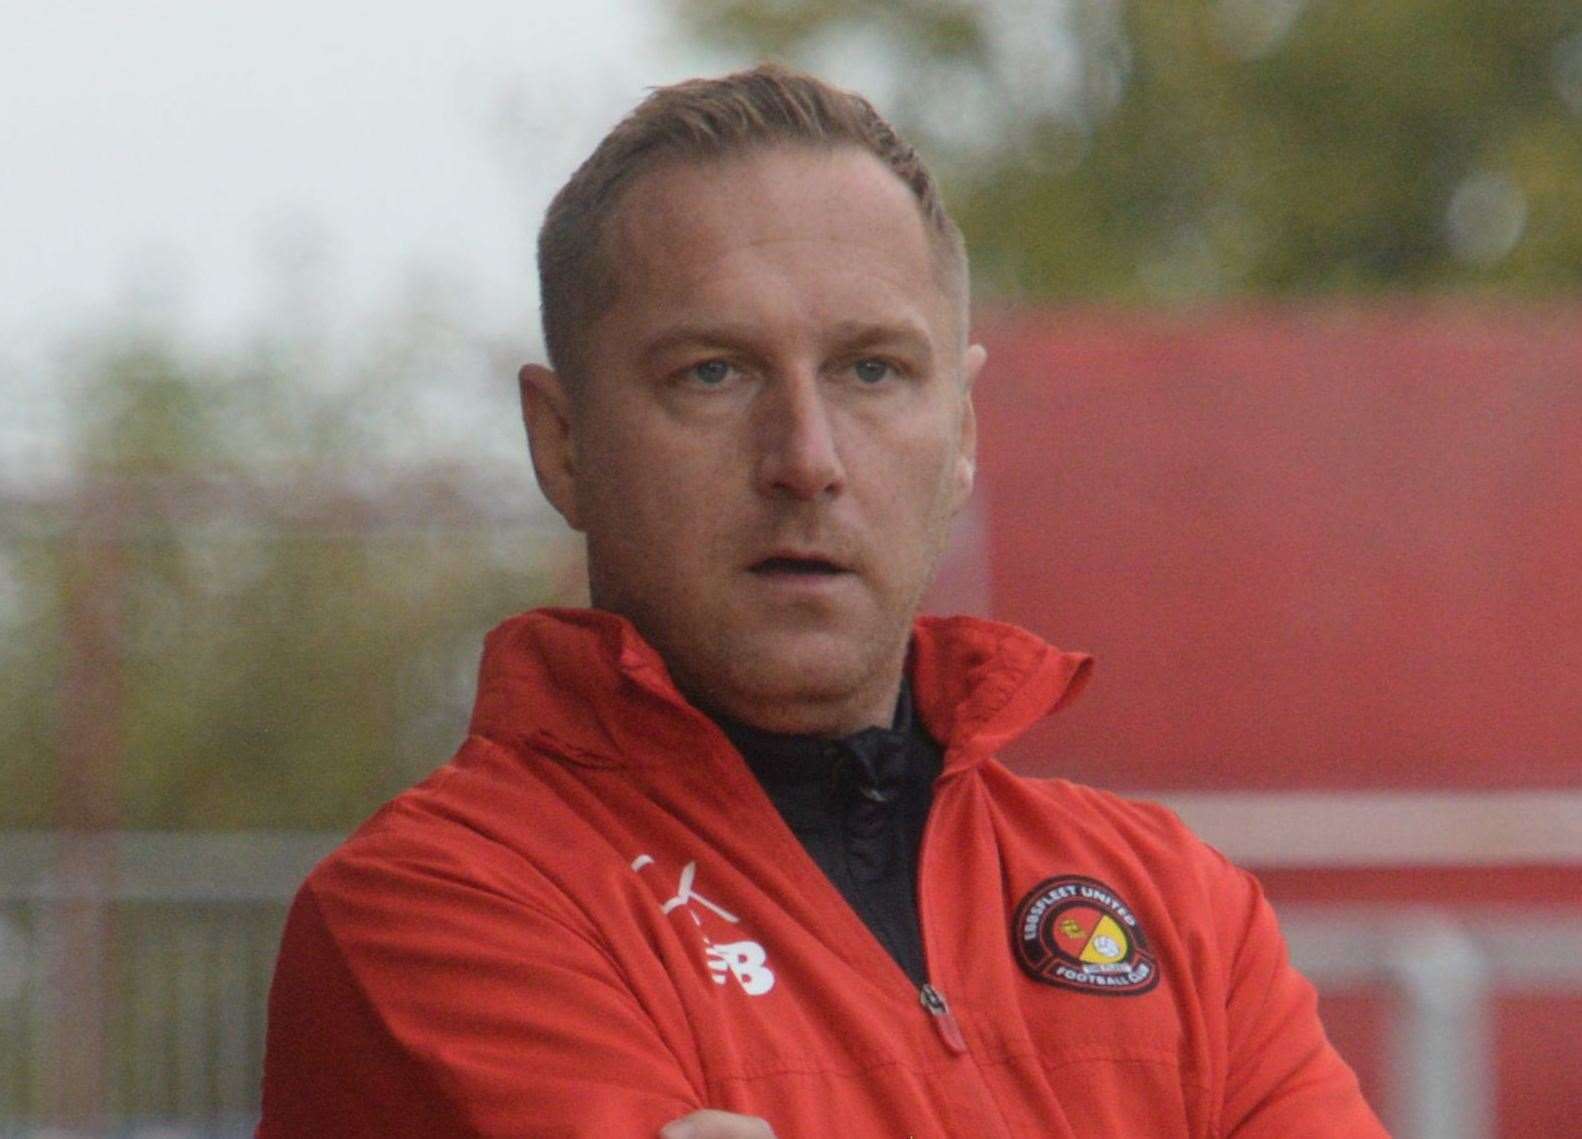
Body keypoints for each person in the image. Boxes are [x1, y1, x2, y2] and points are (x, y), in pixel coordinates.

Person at [257, 65, 1388, 1138]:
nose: (806, 456)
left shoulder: (1180, 908)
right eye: (714, 371)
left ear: (963, 434)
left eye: (871, 370)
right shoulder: (438, 913)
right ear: (562, 444)